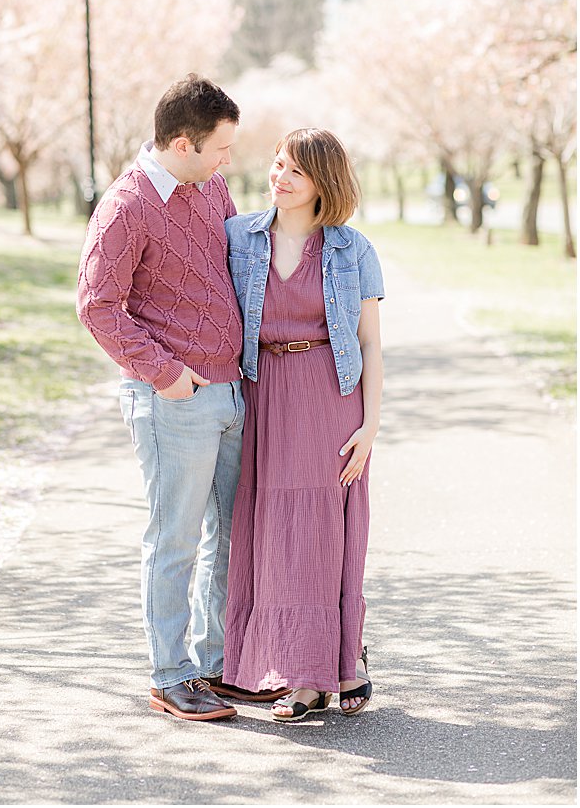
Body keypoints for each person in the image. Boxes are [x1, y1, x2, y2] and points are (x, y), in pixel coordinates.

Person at [76, 74, 283, 721]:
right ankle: (170, 674)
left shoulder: (209, 187)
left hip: (229, 389)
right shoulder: (126, 206)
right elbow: (96, 305)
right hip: (174, 399)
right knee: (176, 539)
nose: (229, 161)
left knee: (230, 535)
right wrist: (164, 372)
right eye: (221, 148)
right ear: (185, 142)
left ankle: (216, 664)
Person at [221, 128, 384, 721]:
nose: (279, 177)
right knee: (271, 533)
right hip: (262, 395)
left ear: (324, 182)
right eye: (277, 164)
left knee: (322, 532)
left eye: (295, 170)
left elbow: (369, 342)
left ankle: (326, 672)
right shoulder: (239, 238)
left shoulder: (352, 250)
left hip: (327, 399)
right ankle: (286, 670)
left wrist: (370, 426)